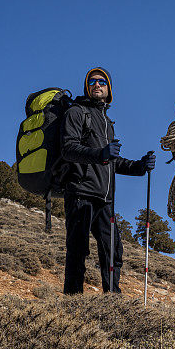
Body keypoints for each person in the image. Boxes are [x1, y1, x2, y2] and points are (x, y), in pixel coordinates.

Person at [60, 66, 156, 294]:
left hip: (106, 198)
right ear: (86, 86)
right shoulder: (76, 112)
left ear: (109, 89)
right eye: (92, 82)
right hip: (80, 192)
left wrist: (138, 167)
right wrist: (100, 154)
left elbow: (112, 161)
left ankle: (112, 302)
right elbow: (68, 149)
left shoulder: (106, 122)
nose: (96, 85)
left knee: (112, 250)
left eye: (102, 82)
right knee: (77, 250)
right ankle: (72, 304)